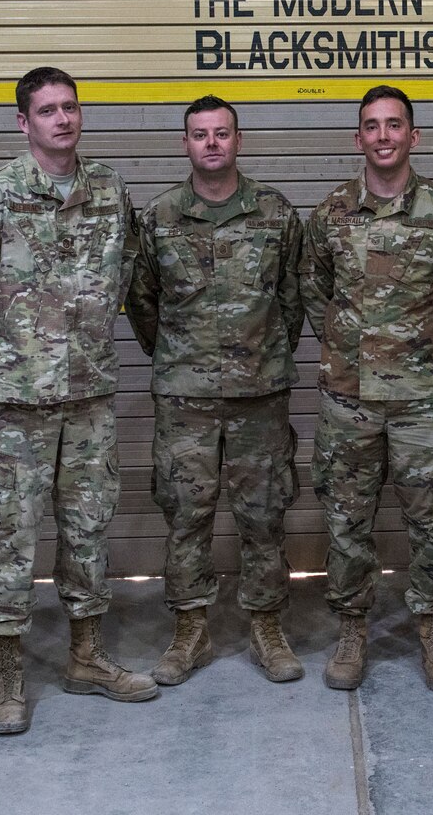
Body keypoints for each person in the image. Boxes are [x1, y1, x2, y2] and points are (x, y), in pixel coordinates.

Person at [0, 66, 155, 736]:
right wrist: (5, 356)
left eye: (70, 107)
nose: (63, 119)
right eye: (48, 110)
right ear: (23, 122)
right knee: (10, 539)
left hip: (87, 395)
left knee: (88, 530)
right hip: (13, 405)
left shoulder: (111, 191)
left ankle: (87, 657)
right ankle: (7, 675)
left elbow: (130, 274)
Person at [301, 84, 433, 691]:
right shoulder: (329, 213)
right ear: (358, 138)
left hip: (421, 401)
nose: (383, 136)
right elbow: (315, 293)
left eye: (394, 125)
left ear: (414, 135)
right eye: (371, 126)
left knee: (429, 521)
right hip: (348, 401)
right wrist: (346, 352)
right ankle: (352, 630)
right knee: (346, 522)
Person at [125, 96, 305, 686]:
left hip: (260, 397)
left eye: (221, 133)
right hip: (185, 398)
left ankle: (266, 628)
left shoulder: (277, 214)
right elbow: (142, 303)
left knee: (264, 515)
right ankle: (190, 631)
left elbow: (293, 301)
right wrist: (181, 359)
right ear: (185, 143)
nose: (211, 143)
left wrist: (264, 359)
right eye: (199, 134)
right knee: (186, 515)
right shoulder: (158, 218)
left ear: (238, 140)